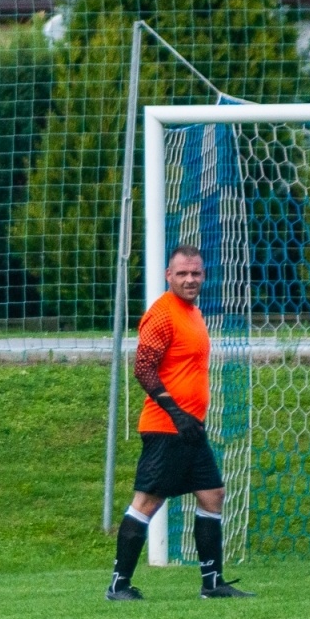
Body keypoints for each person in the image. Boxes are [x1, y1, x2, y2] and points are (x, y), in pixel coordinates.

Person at [108, 245, 251, 600]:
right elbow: (143, 369)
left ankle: (212, 583)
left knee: (212, 494)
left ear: (204, 275)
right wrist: (176, 413)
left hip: (190, 429)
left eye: (196, 273)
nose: (190, 279)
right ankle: (118, 585)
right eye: (183, 274)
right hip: (166, 427)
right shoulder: (162, 313)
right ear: (168, 276)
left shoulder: (193, 313)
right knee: (147, 503)